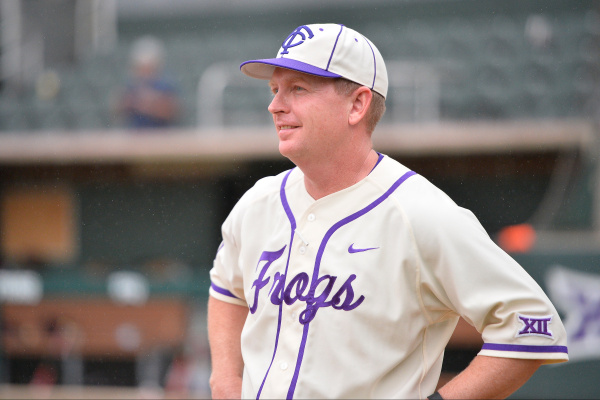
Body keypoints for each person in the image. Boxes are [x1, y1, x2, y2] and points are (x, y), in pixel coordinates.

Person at [207, 23, 568, 399]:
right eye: (274, 89)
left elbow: (532, 326)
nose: (275, 105)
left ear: (358, 105)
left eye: (298, 88)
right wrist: (226, 380)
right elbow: (227, 288)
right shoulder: (257, 203)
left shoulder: (420, 213)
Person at [117, 36, 179, 129]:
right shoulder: (131, 85)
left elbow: (173, 111)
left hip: (161, 135)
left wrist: (149, 104)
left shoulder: (166, 85)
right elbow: (118, 109)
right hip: (136, 135)